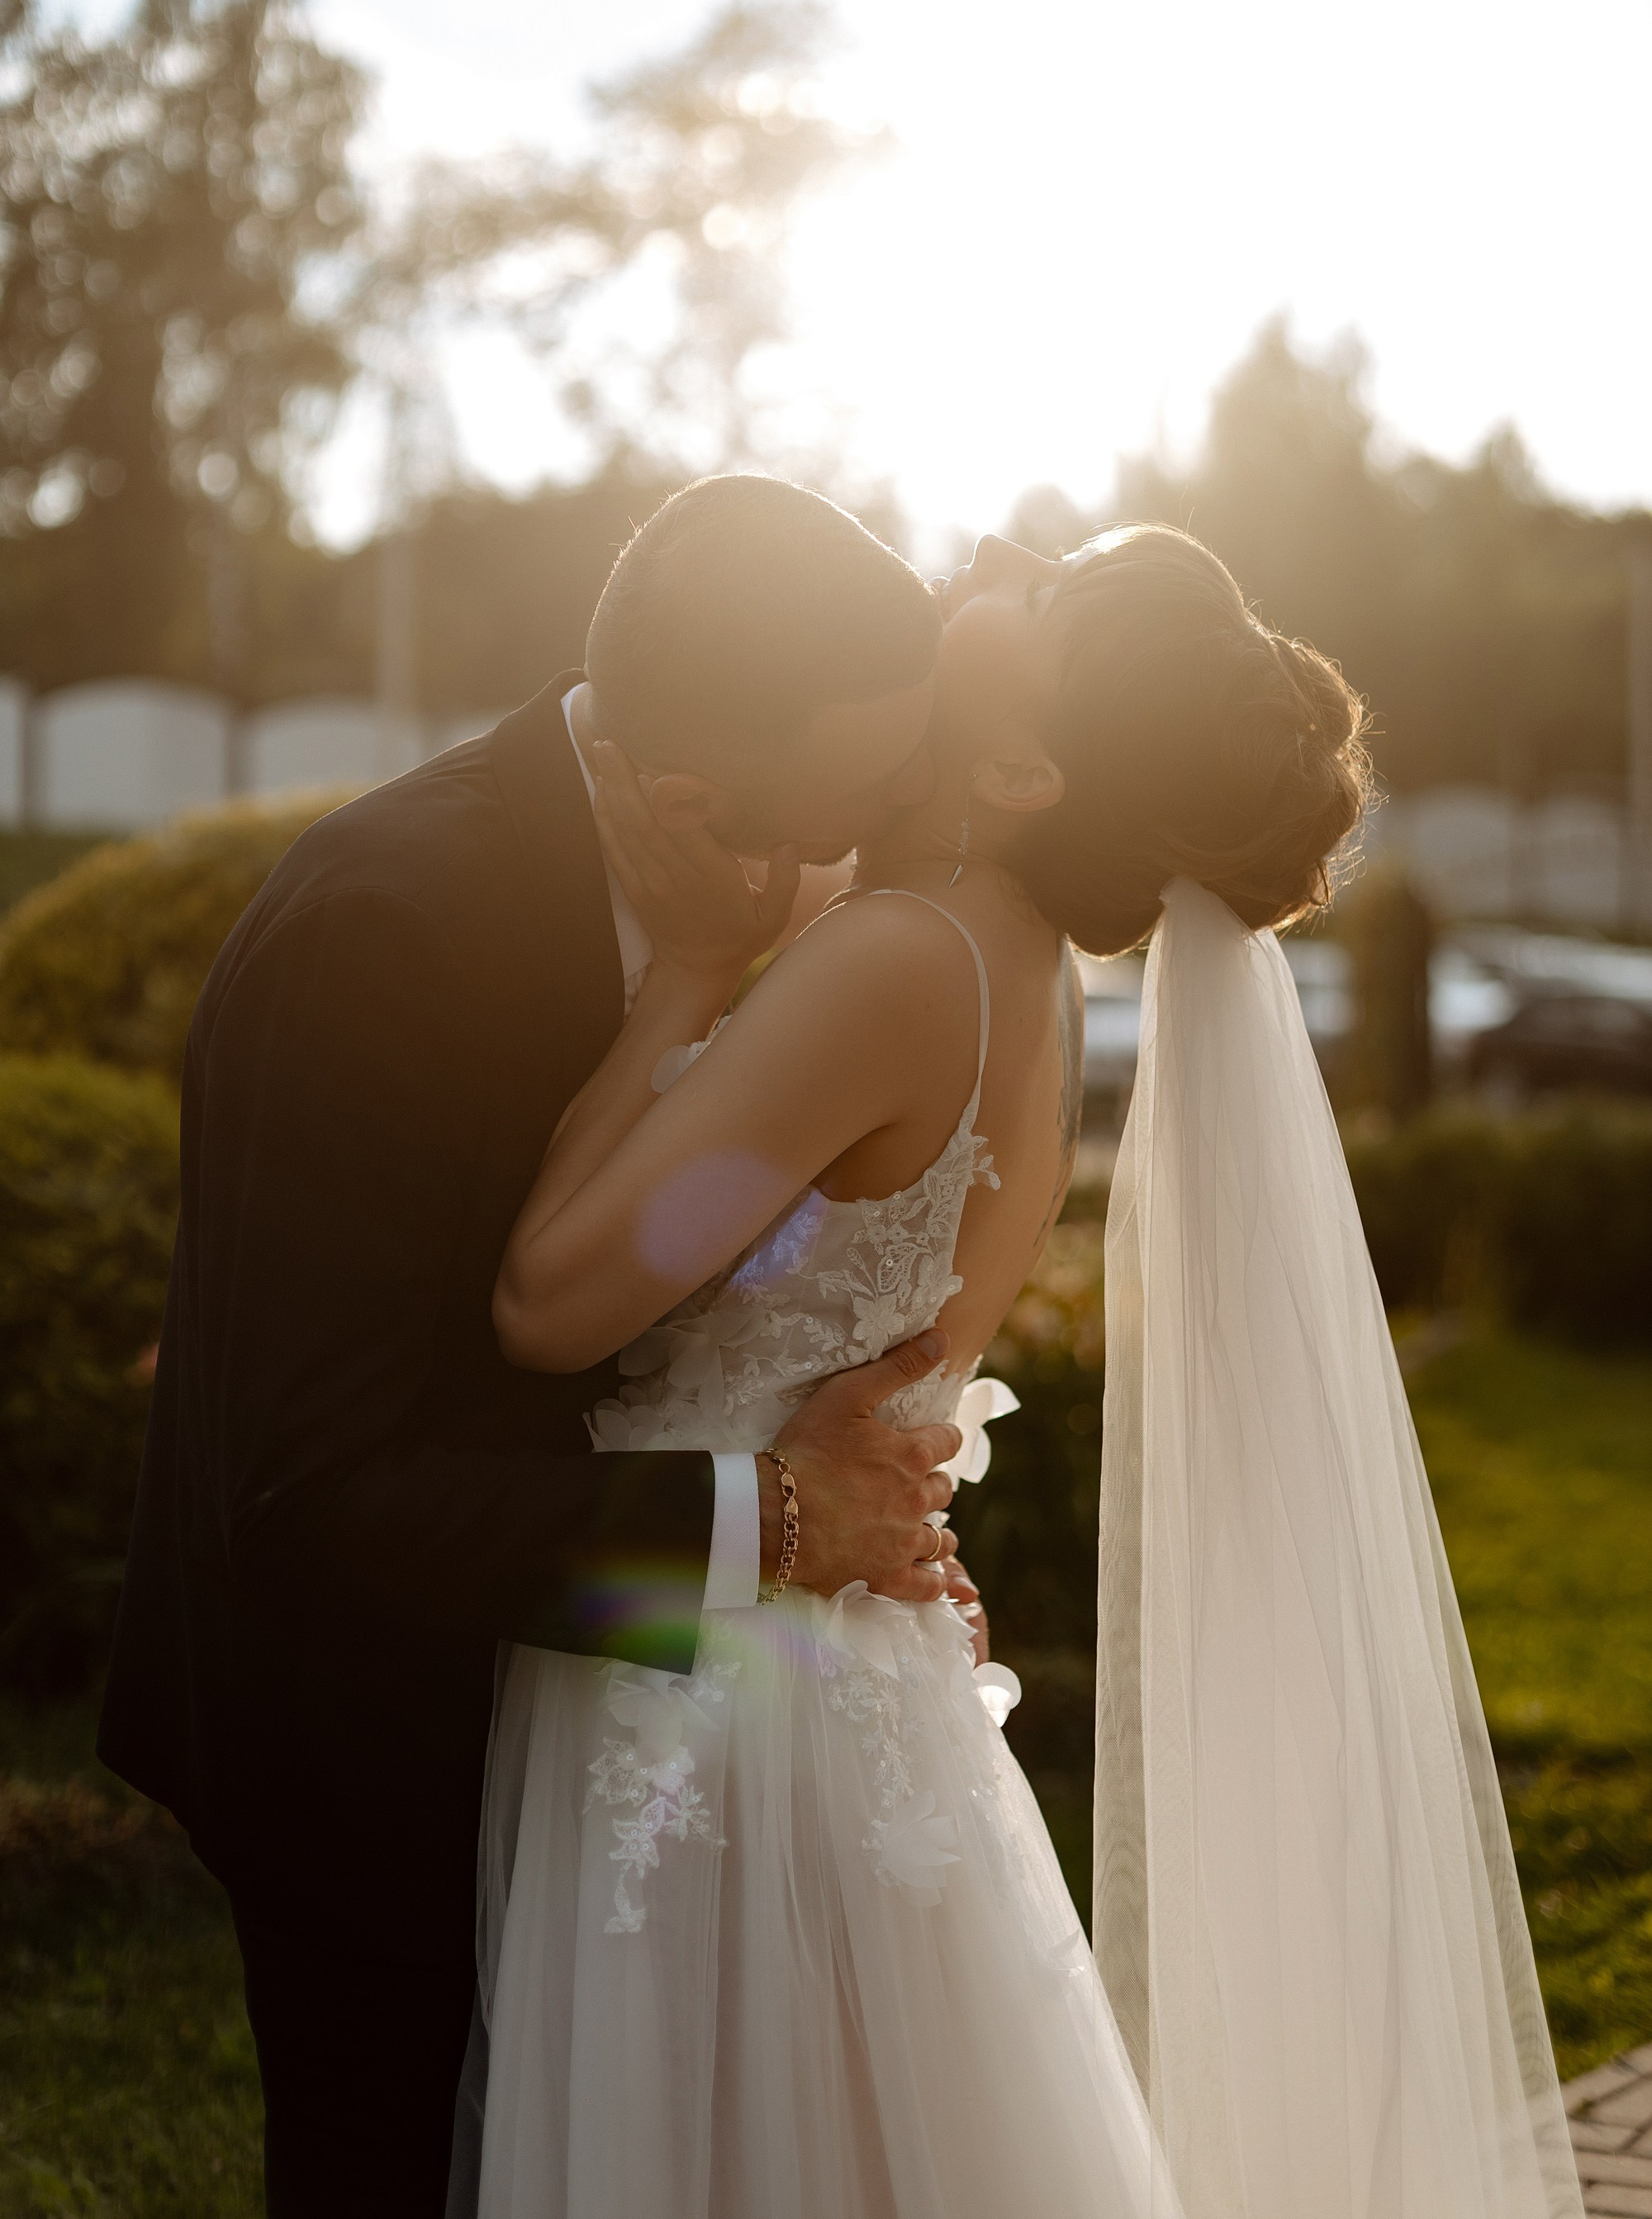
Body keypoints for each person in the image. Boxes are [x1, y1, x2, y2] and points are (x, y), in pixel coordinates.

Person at [477, 504, 1580, 2218]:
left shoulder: (893, 966)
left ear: (1015, 772)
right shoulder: (1019, 974)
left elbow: (550, 1300)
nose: (1000, 545)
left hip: (718, 1709)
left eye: (1041, 596)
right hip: (853, 1680)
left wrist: (686, 972)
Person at [96, 478, 986, 2219]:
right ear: (688, 797)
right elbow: (312, 1494)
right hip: (363, 1726)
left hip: (589, 1690)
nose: (900, 807)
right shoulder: (383, 935)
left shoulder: (770, 887)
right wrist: (772, 1535)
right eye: (867, 781)